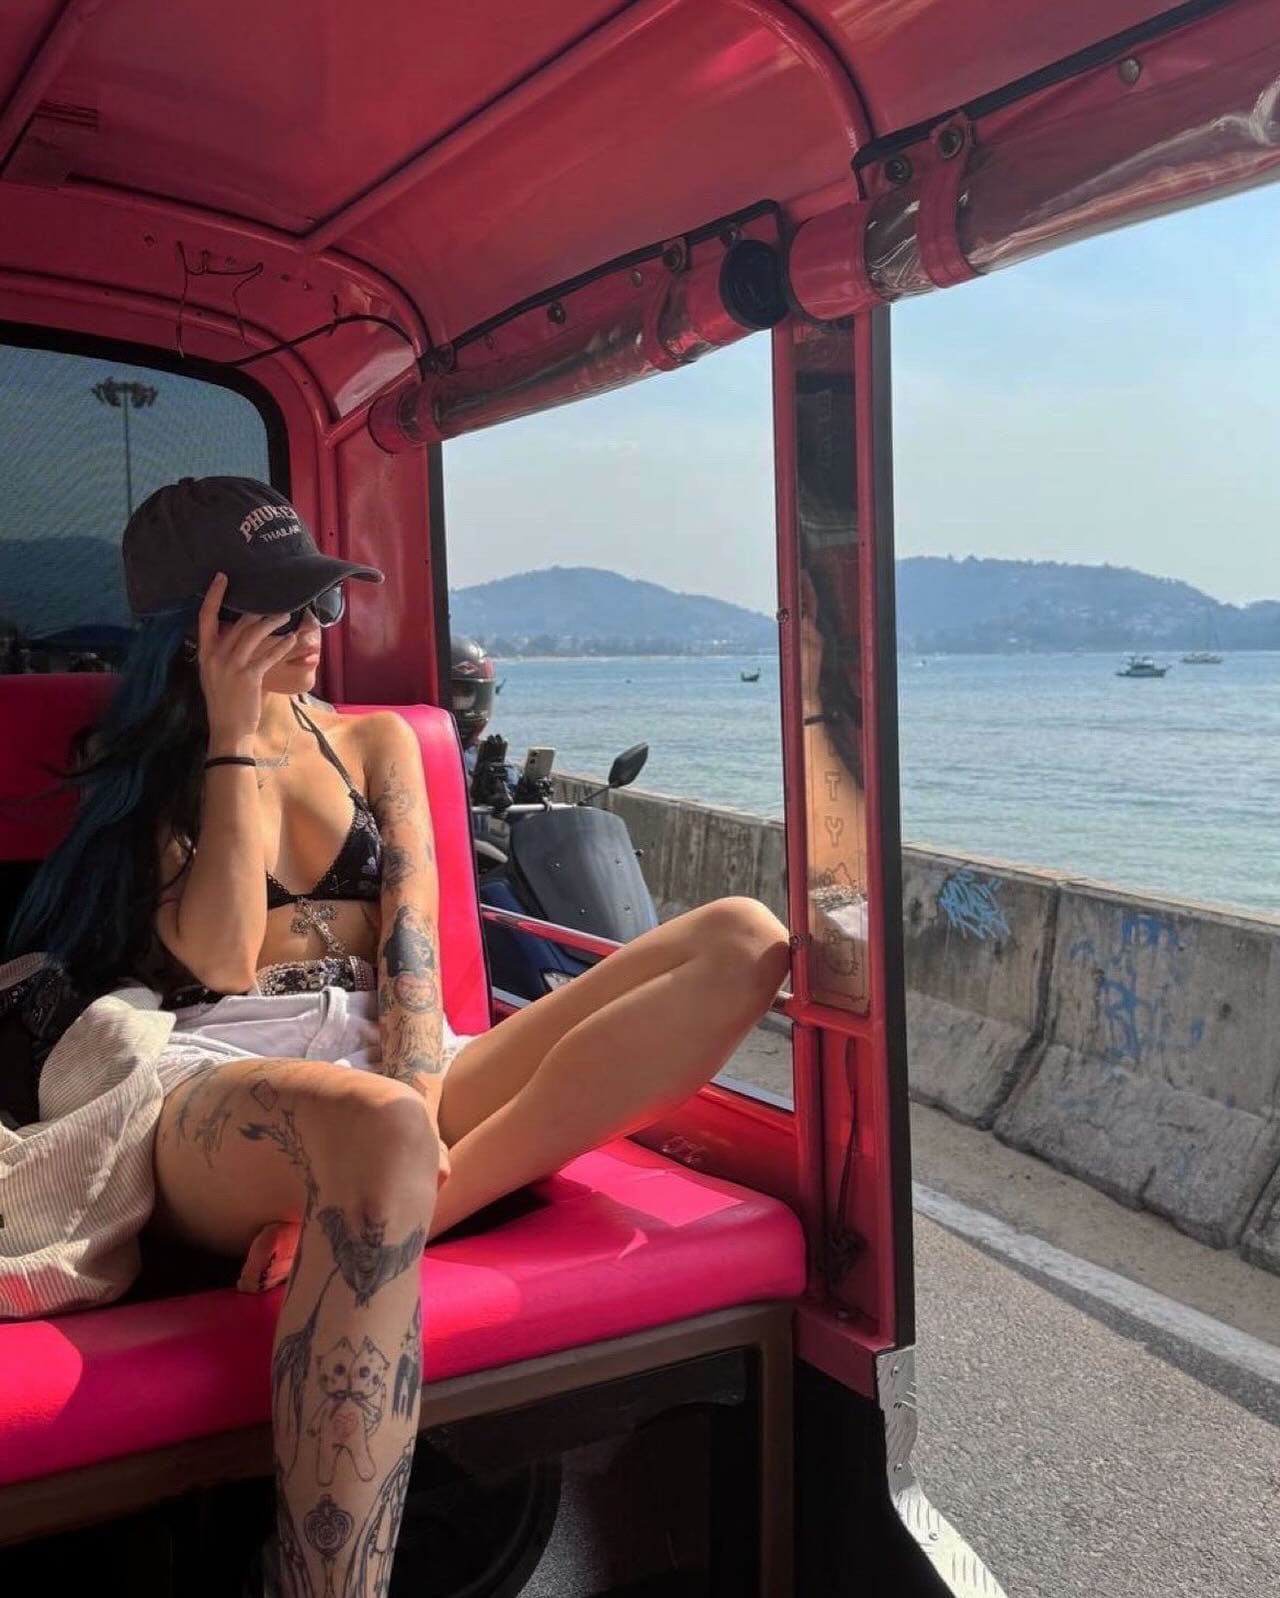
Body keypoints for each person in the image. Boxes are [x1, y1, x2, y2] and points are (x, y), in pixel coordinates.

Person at [6, 476, 791, 1598]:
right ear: (196, 631)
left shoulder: (373, 743)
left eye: (321, 601)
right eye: (279, 610)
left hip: (385, 1060)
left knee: (742, 938)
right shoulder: (156, 769)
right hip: (209, 1077)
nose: (315, 630)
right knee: (374, 1125)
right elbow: (219, 960)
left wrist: (406, 1135)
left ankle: (401, 1204)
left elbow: (413, 967)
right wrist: (231, 736)